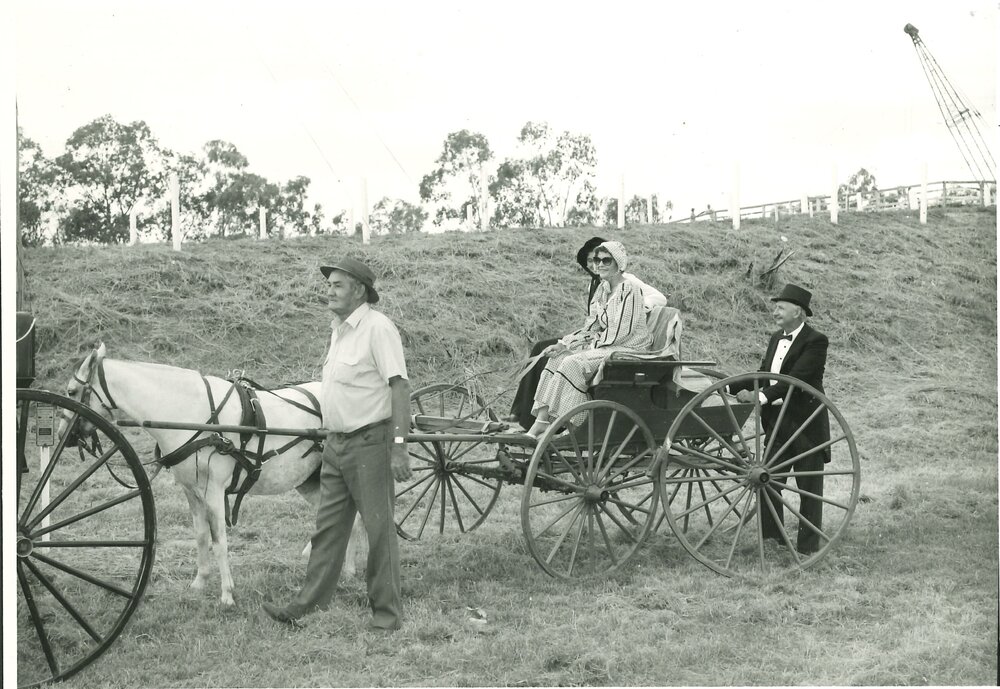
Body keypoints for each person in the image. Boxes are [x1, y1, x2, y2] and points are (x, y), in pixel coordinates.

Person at [262, 257, 412, 631]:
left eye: (338, 285)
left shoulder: (378, 329)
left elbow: (400, 387)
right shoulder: (339, 330)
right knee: (327, 529)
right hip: (336, 444)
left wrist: (397, 445)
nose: (329, 290)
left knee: (379, 532)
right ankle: (306, 606)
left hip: (370, 444)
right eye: (329, 284)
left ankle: (386, 615)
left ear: (359, 290)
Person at [507, 236, 665, 430]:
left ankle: (575, 424)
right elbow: (592, 324)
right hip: (606, 343)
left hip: (627, 347)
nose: (598, 265)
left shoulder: (629, 288)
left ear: (618, 263)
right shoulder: (602, 288)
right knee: (558, 357)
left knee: (572, 362)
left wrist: (589, 345)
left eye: (606, 260)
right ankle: (540, 423)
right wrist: (565, 344)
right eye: (596, 260)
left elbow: (621, 333)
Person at [727, 283, 830, 554]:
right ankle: (774, 541)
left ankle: (808, 548)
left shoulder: (815, 341)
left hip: (804, 422)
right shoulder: (776, 338)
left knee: (809, 487)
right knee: (767, 480)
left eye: (780, 307)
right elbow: (764, 373)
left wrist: (760, 397)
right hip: (778, 424)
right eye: (776, 307)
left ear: (798, 312)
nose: (775, 312)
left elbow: (795, 380)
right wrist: (731, 386)